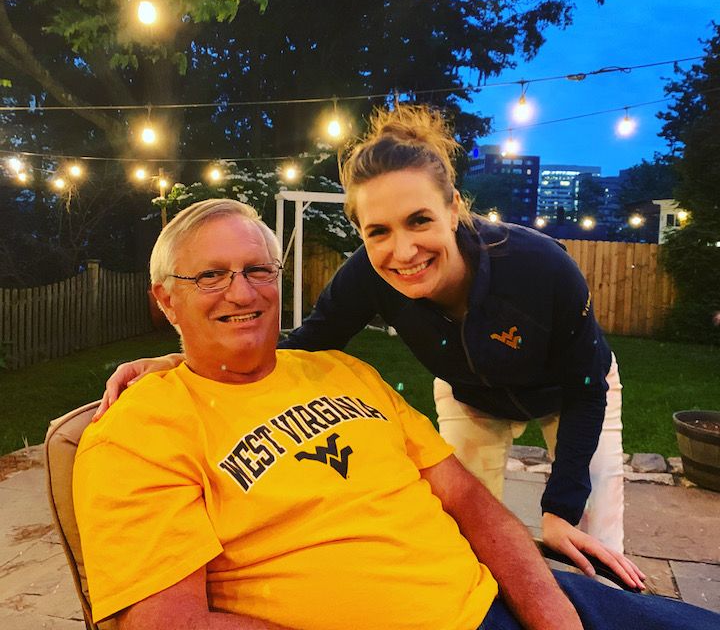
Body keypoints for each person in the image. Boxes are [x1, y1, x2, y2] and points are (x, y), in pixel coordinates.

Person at [74, 198, 719, 630]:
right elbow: (166, 623)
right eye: (210, 277)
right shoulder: (140, 430)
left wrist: (551, 607)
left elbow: (468, 500)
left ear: (452, 212)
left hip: (511, 580)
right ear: (166, 301)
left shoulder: (347, 370)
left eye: (257, 270)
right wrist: (185, 363)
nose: (242, 292)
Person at [100, 105, 625, 578]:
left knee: (593, 535)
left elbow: (585, 388)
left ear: (453, 208)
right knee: (469, 535)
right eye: (379, 231)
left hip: (571, 391)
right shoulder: (368, 276)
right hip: (470, 394)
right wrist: (185, 359)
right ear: (361, 232)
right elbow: (306, 345)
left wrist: (560, 510)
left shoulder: (540, 266)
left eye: (419, 220)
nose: (403, 251)